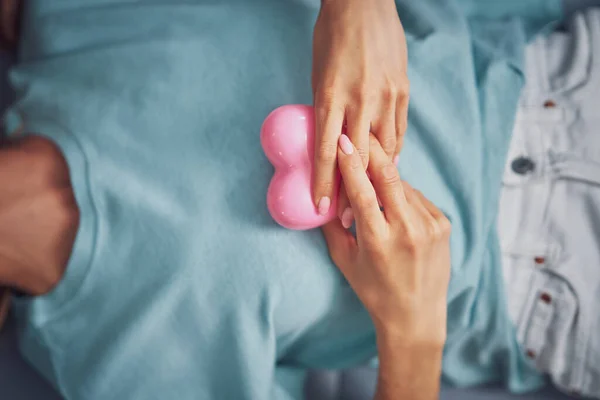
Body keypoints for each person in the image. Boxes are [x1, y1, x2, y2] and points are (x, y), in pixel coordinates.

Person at [0, 0, 565, 399]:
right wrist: (414, 335)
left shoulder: (62, 20)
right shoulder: (111, 363)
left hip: (549, 75)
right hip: (544, 290)